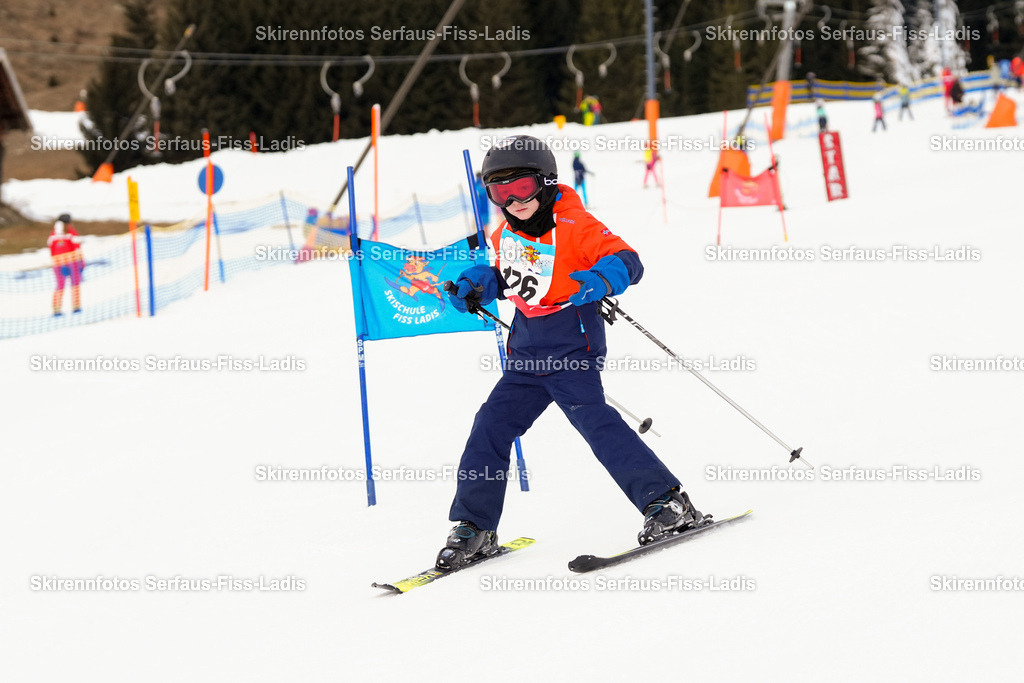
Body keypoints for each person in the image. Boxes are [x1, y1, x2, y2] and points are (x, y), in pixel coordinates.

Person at [437, 135, 703, 570]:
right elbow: (511, 279)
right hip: (525, 358)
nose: (513, 201)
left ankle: (666, 502)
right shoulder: (504, 234)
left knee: (594, 421)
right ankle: (475, 527)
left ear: (544, 182)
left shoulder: (575, 225)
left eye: (522, 188)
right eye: (500, 193)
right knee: (489, 425)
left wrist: (599, 279)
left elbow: (628, 260)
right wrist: (479, 283)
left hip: (572, 349)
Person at [48, 213, 85, 316]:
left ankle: (59, 309)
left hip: (61, 263)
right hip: (70, 262)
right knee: (72, 285)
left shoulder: (54, 235)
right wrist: (81, 262)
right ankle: (73, 307)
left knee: (63, 285)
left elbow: (52, 250)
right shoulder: (69, 233)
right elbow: (77, 247)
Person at [473, 171, 491, 235]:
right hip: (482, 206)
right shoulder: (480, 184)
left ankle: (486, 234)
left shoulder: (478, 184)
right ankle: (486, 235)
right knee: (483, 222)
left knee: (483, 222)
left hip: (482, 206)